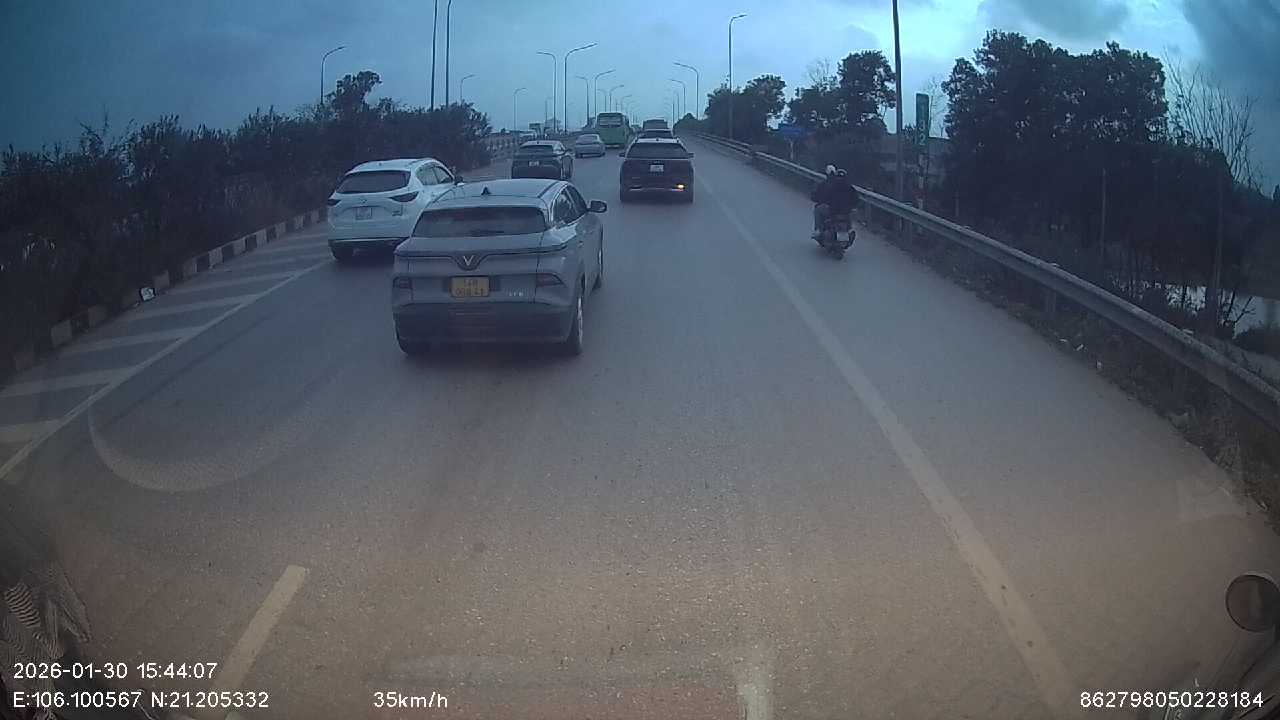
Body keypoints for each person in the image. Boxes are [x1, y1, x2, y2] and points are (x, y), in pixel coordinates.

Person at [811, 165, 860, 240]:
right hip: (846, 212)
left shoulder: (832, 186)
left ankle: (818, 230)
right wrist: (852, 207)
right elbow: (856, 199)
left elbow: (825, 197)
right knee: (851, 217)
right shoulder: (850, 188)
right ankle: (850, 230)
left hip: (833, 211)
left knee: (817, 210)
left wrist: (822, 201)